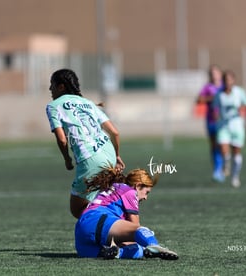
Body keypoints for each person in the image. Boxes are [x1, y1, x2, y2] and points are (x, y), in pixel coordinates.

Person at [46, 69, 125, 219]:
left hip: (89, 158)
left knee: (77, 209)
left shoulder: (54, 106)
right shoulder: (88, 103)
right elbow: (115, 133)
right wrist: (117, 156)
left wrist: (67, 160)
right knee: (100, 200)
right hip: (108, 153)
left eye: (52, 85)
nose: (50, 89)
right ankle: (117, 225)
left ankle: (114, 227)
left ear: (61, 87)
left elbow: (62, 139)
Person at [74, 168, 178, 260]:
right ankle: (156, 246)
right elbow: (136, 228)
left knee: (137, 249)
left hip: (81, 232)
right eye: (146, 192)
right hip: (99, 220)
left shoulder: (115, 187)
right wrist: (146, 243)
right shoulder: (130, 192)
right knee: (143, 232)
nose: (146, 198)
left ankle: (117, 253)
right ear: (138, 186)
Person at [212, 70, 246, 188]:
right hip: (224, 126)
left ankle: (235, 176)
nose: (227, 82)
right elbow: (215, 107)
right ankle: (226, 165)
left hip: (237, 126)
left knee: (236, 153)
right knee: (224, 150)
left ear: (233, 81)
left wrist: (242, 108)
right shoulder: (219, 94)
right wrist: (215, 115)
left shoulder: (239, 92)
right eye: (225, 80)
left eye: (229, 80)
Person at [196, 64, 224, 182]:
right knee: (214, 145)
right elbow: (199, 100)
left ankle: (221, 168)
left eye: (216, 72)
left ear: (220, 74)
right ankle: (217, 169)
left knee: (222, 144)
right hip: (211, 120)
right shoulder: (208, 87)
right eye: (212, 73)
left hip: (223, 121)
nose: (214, 75)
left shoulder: (224, 86)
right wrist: (211, 98)